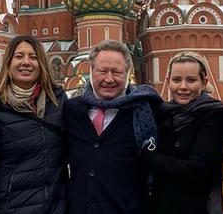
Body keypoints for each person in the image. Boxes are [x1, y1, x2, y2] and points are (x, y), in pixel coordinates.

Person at [0, 35, 67, 214]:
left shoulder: (58, 104)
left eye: (33, 57)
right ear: (8, 63)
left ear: (42, 64)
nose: (26, 62)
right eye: (19, 56)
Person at [64, 40, 162, 214]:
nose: (109, 79)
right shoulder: (72, 110)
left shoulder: (144, 111)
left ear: (127, 74)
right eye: (102, 71)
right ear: (91, 71)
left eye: (116, 72)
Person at [142, 52, 223, 214]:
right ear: (168, 82)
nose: (183, 87)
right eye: (176, 80)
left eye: (191, 80)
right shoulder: (161, 114)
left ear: (204, 82)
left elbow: (198, 170)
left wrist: (151, 159)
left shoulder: (215, 115)